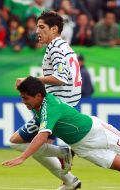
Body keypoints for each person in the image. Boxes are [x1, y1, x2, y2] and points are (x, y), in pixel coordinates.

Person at [2, 76, 120, 186]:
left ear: (38, 96)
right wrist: (24, 81)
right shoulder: (40, 100)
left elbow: (42, 136)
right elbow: (34, 86)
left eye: (25, 98)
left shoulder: (49, 108)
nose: (23, 102)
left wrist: (23, 157)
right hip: (81, 147)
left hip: (97, 132)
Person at [10, 11, 82, 190]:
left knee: (15, 142)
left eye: (41, 27)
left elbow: (60, 77)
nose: (37, 31)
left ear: (54, 29)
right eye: (37, 27)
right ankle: (69, 181)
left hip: (55, 106)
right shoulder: (62, 46)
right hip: (66, 104)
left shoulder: (56, 47)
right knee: (43, 147)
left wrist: (31, 80)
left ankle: (64, 156)